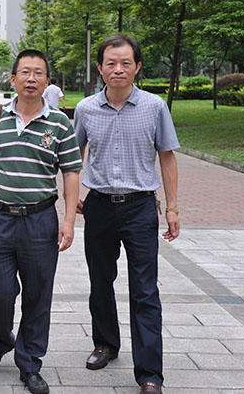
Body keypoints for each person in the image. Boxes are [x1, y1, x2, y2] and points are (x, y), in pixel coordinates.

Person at [0, 49, 82, 394]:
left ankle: (30, 362)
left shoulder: (60, 123)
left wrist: (68, 220)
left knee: (37, 296)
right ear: (14, 79)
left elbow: (71, 173)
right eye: (25, 73)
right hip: (0, 219)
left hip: (40, 222)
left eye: (38, 73)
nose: (31, 79)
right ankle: (2, 339)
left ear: (48, 81)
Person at [73, 34, 180, 394]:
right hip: (99, 206)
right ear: (100, 67)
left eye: (125, 63)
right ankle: (105, 343)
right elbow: (73, 158)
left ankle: (150, 373)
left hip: (140, 208)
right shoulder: (86, 108)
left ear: (137, 67)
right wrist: (70, 197)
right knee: (100, 282)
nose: (117, 69)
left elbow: (167, 156)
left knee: (145, 290)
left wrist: (173, 207)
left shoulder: (154, 106)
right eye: (110, 63)